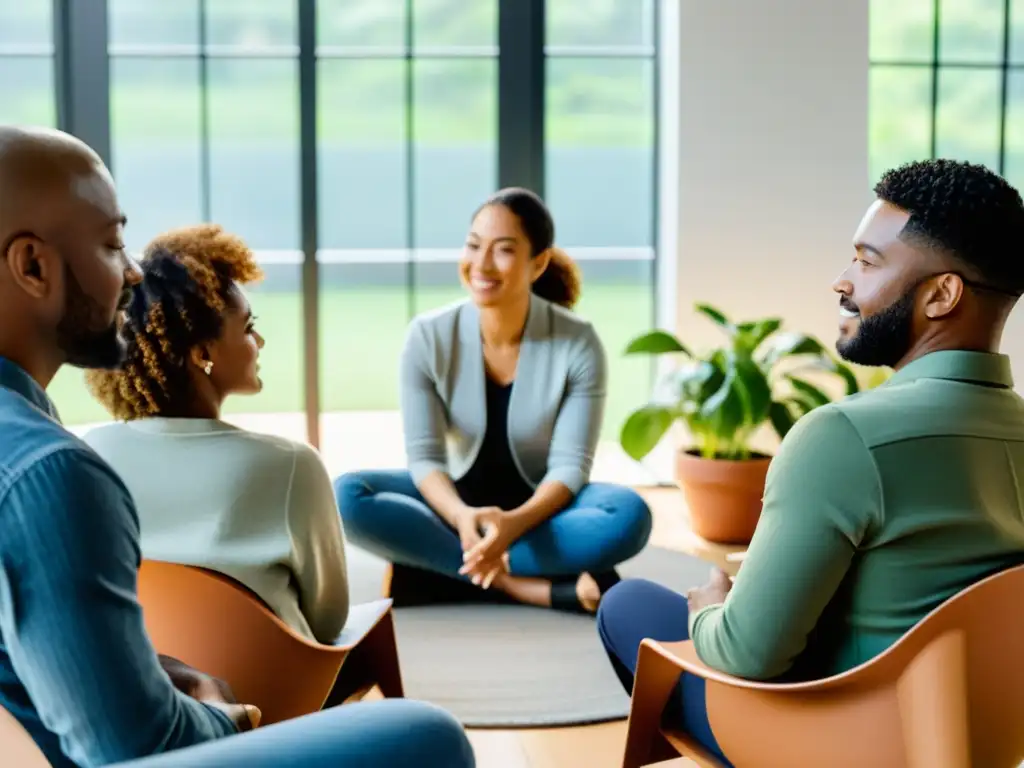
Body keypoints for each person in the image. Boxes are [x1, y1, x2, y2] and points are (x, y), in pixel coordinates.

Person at [0, 124, 474, 768]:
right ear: (33, 266)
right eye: (112, 243)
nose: (133, 269)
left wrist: (151, 669)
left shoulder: (51, 438)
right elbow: (132, 747)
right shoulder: (50, 473)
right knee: (428, 735)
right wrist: (228, 720)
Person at [597, 158, 1024, 764]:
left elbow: (747, 655)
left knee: (628, 605)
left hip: (835, 742)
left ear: (942, 295)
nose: (843, 280)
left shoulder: (841, 436)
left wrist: (710, 605)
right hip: (978, 741)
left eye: (867, 260)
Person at [335, 187, 652, 613]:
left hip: (540, 508)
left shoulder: (578, 342)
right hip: (453, 503)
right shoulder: (428, 336)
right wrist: (462, 518)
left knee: (629, 515)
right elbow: (425, 458)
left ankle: (443, 570)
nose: (481, 264)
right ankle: (522, 585)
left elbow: (570, 466)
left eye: (503, 250)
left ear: (537, 263)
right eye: (473, 245)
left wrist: (513, 524)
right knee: (347, 496)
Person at [81, 224, 348, 645]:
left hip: (141, 690)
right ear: (203, 353)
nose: (258, 340)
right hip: (275, 697)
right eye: (247, 326)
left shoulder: (87, 455)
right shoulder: (290, 464)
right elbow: (329, 619)